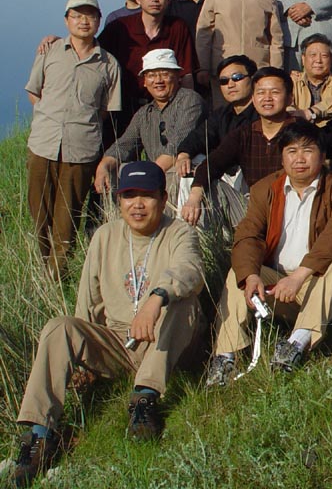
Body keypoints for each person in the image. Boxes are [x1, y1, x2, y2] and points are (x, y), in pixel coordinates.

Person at [10, 161, 203, 485]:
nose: (137, 204)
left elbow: (190, 270)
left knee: (184, 303)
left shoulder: (179, 232)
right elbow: (88, 301)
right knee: (60, 326)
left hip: (166, 342)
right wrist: (80, 359)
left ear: (163, 198)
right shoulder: (105, 236)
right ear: (119, 200)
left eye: (146, 195)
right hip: (119, 342)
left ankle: (144, 400)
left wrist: (156, 299)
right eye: (129, 195)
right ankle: (39, 435)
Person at [205, 121, 332, 384]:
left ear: (322, 155)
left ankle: (295, 344)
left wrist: (298, 276)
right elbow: (248, 235)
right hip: (277, 284)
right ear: (282, 156)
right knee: (238, 274)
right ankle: (226, 356)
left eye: (308, 150)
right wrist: (252, 276)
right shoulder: (265, 189)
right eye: (292, 151)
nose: (299, 159)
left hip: (317, 283)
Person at [26, 0, 121, 279]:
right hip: (43, 144)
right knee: (39, 213)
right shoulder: (49, 51)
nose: (83, 21)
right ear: (67, 20)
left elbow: (106, 110)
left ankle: (57, 277)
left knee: (68, 217)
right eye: (77, 16)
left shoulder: (108, 63)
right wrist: (47, 118)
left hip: (81, 150)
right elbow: (34, 92)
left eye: (90, 16)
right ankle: (41, 270)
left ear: (99, 21)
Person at [180, 67, 295, 227]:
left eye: (275, 92)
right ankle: (197, 239)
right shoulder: (244, 133)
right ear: (253, 98)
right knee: (199, 182)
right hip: (255, 211)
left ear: (289, 98)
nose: (267, 98)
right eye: (261, 93)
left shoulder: (302, 133)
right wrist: (194, 197)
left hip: (293, 210)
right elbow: (213, 163)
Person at [94, 50, 206, 196]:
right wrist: (103, 166)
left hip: (185, 173)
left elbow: (176, 145)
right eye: (151, 75)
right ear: (145, 82)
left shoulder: (190, 100)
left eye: (165, 74)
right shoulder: (144, 113)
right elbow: (124, 145)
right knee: (116, 171)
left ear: (178, 76)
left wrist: (146, 176)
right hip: (156, 173)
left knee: (174, 171)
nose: (158, 80)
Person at [97, 0, 198, 114]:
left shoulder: (177, 27)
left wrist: (188, 108)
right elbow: (97, 57)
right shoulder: (120, 27)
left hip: (166, 107)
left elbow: (186, 73)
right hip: (124, 108)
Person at [196, 0, 284, 106]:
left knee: (257, 114)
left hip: (258, 69)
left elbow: (276, 38)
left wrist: (275, 70)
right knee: (224, 114)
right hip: (223, 68)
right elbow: (204, 33)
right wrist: (204, 67)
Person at [174, 56, 258, 181]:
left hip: (252, 176)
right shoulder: (222, 114)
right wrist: (183, 154)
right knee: (188, 164)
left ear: (253, 79)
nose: (230, 85)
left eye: (237, 78)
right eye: (224, 81)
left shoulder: (264, 114)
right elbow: (199, 137)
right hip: (225, 174)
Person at [289, 34, 332, 129]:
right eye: (313, 55)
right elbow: (287, 105)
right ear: (303, 59)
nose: (318, 60)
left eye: (324, 56)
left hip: (330, 132)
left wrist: (311, 112)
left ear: (331, 59)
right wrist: (294, 115)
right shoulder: (293, 80)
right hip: (298, 131)